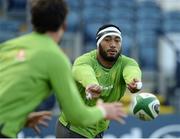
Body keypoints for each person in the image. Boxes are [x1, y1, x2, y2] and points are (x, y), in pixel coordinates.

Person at [0, 0, 126, 138]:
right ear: (64, 25)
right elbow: (77, 116)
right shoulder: (56, 58)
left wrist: (21, 118)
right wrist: (102, 111)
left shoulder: (9, 46)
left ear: (33, 20)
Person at [57, 24, 142, 138]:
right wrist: (91, 84)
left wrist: (134, 82)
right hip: (73, 130)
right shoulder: (84, 61)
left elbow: (132, 71)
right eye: (107, 40)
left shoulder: (127, 63)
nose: (113, 45)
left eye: (117, 41)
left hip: (97, 132)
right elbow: (84, 72)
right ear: (98, 43)